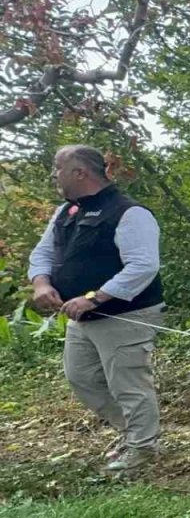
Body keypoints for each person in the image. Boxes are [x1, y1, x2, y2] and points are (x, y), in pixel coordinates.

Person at [27, 144, 166, 471]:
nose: (53, 175)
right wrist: (42, 284)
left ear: (80, 172)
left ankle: (143, 451)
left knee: (128, 384)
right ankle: (132, 433)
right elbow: (41, 254)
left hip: (126, 315)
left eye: (57, 168)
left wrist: (93, 298)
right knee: (82, 378)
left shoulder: (129, 213)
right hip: (82, 318)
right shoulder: (65, 213)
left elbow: (143, 266)